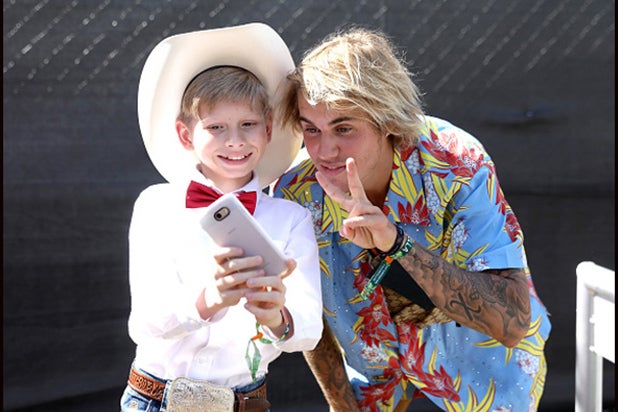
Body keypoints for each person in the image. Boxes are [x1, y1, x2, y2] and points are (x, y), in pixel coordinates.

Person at [273, 27, 551, 412]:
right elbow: (310, 317)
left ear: (387, 119)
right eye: (311, 129)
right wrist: (342, 406)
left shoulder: (457, 166)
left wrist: (395, 245)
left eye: (344, 128)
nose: (324, 149)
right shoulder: (296, 192)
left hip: (483, 377)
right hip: (374, 380)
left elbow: (512, 321)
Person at [120, 23, 322, 412]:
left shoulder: (291, 219)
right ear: (185, 135)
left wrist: (277, 316)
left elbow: (308, 330)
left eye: (248, 125)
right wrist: (206, 300)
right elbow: (143, 324)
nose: (235, 141)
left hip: (245, 402)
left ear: (267, 130)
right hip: (154, 401)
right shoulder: (156, 206)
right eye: (216, 127)